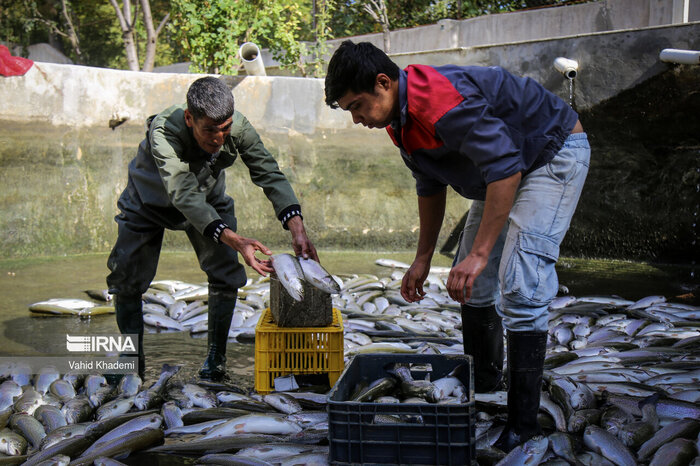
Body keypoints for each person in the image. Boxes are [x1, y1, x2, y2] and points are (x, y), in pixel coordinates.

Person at [324, 41, 589, 452]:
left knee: (520, 285)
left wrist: (481, 254)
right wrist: (422, 258)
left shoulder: (439, 102)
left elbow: (505, 169)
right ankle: (485, 388)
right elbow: (430, 186)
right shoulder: (400, 123)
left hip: (551, 154)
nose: (357, 119)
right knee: (475, 286)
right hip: (501, 170)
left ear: (383, 83)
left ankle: (523, 427)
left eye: (358, 106)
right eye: (350, 111)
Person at [107, 76, 317, 382]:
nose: (219, 138)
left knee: (225, 273)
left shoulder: (238, 127)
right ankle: (131, 360)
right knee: (126, 278)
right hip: (147, 201)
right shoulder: (164, 131)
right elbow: (182, 193)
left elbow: (267, 171)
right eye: (209, 130)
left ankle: (216, 359)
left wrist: (297, 227)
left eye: (225, 129)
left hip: (209, 200)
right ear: (190, 119)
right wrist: (234, 239)